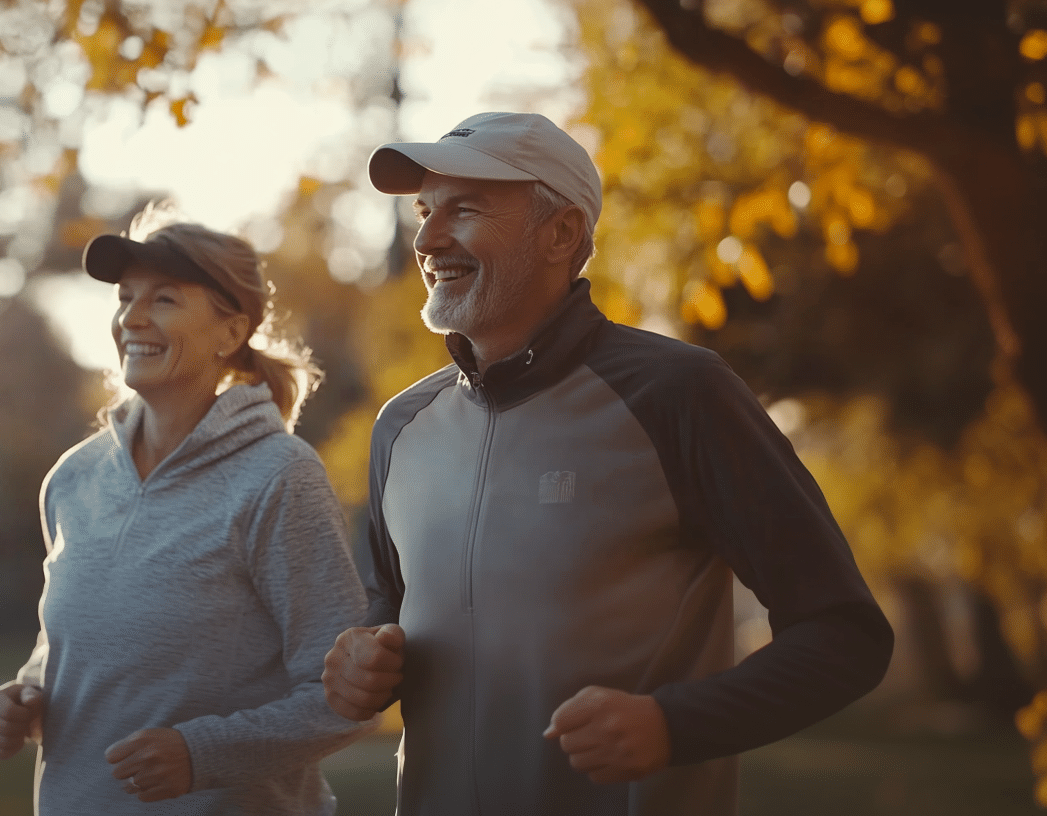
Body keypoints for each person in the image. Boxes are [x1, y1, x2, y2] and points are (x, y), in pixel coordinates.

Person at [320, 112, 894, 815]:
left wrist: (675, 723)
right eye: (424, 211)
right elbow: (384, 608)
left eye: (464, 210)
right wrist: (360, 661)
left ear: (560, 233)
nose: (429, 239)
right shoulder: (399, 427)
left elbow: (845, 635)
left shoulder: (681, 393)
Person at [0, 210, 374, 815]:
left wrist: (202, 752)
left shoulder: (278, 476)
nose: (132, 318)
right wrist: (27, 695)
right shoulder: (74, 479)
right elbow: (70, 645)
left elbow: (347, 698)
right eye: (126, 297)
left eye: (164, 299)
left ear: (231, 332)